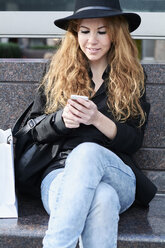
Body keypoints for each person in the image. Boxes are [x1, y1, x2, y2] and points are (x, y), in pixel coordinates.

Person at [26, 0, 157, 247]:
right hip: (58, 177)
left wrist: (97, 119)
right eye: (85, 31)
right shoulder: (56, 72)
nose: (92, 40)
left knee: (87, 153)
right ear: (76, 34)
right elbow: (33, 131)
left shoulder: (132, 77)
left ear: (115, 34)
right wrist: (61, 120)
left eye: (102, 31)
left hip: (116, 175)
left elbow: (134, 140)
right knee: (103, 199)